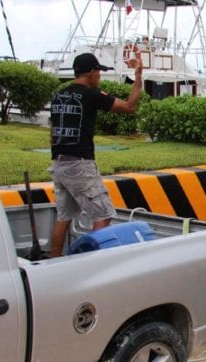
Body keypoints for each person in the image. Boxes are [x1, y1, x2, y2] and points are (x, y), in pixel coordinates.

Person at [47, 51, 144, 257]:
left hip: (58, 163)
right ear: (91, 73)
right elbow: (129, 106)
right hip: (79, 165)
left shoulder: (58, 96)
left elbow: (52, 131)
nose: (100, 76)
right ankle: (91, 261)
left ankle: (52, 262)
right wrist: (138, 76)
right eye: (99, 72)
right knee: (104, 214)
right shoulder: (90, 95)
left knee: (64, 216)